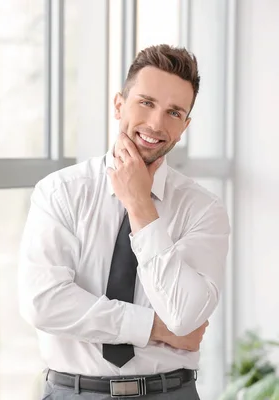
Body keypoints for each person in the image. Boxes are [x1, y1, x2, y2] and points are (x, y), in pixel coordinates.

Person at [18, 44, 231, 399]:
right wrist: (153, 328)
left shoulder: (203, 209)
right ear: (119, 105)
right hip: (74, 391)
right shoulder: (60, 192)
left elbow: (184, 316)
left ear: (184, 127)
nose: (155, 124)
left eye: (173, 112)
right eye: (146, 103)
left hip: (170, 392)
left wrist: (140, 206)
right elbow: (44, 302)